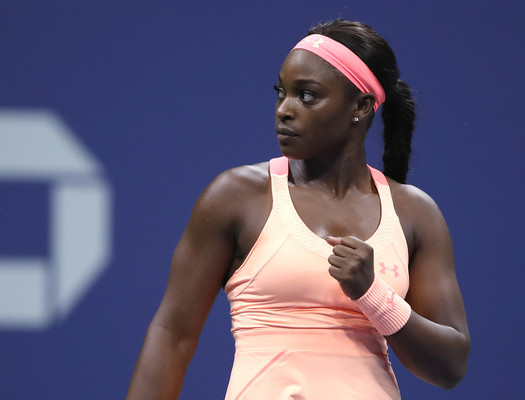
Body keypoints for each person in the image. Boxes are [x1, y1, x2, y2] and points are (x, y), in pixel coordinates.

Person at [127, 19, 470, 399]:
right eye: (281, 93)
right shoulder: (236, 197)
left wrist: (373, 294)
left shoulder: (416, 213)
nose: (284, 110)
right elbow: (173, 334)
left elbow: (450, 367)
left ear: (361, 106)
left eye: (307, 95)